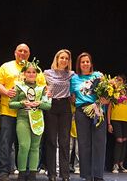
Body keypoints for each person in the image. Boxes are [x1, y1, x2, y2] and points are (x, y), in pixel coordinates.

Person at [0, 43, 46, 181]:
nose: (22, 53)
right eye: (20, 51)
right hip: (8, 110)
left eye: (25, 51)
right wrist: (6, 92)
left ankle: (25, 171)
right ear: (15, 52)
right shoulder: (6, 66)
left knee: (25, 145)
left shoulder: (35, 68)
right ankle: (4, 172)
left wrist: (40, 102)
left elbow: (43, 88)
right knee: (5, 142)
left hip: (30, 113)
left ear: (29, 54)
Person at [9, 59, 51, 181]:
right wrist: (22, 103)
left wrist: (39, 104)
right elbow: (12, 104)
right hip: (23, 119)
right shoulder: (18, 86)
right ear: (24, 73)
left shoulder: (43, 88)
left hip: (37, 119)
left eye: (34, 72)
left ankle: (32, 173)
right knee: (24, 145)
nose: (31, 74)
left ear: (37, 74)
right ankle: (22, 173)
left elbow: (48, 105)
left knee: (35, 147)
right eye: (28, 72)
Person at [70, 52, 109, 181]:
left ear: (91, 63)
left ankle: (98, 175)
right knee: (84, 143)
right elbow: (71, 97)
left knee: (99, 142)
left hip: (98, 109)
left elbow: (108, 94)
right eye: (83, 62)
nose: (85, 64)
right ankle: (87, 175)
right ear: (79, 65)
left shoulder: (98, 76)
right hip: (82, 111)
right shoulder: (74, 78)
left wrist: (106, 100)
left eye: (87, 61)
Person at [43, 49, 74, 181]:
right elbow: (42, 89)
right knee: (50, 139)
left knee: (65, 141)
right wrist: (45, 93)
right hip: (51, 106)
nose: (64, 60)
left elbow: (76, 89)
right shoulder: (47, 73)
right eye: (62, 58)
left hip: (65, 107)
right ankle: (52, 173)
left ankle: (65, 174)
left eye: (67, 58)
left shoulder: (72, 74)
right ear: (57, 59)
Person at [107, 74, 127, 174]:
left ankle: (121, 164)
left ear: (124, 82)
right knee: (119, 140)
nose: (118, 82)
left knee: (124, 141)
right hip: (115, 119)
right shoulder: (112, 92)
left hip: (125, 120)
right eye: (117, 80)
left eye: (120, 80)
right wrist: (109, 123)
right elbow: (109, 109)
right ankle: (115, 164)